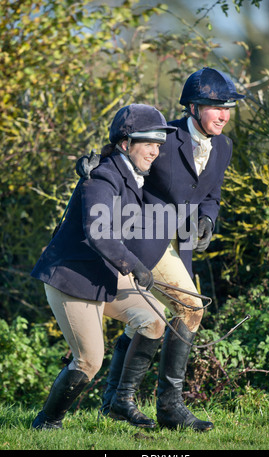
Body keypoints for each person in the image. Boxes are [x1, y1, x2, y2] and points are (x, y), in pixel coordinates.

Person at [77, 67, 245, 431]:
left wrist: (207, 220)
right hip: (143, 237)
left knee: (146, 318)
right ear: (193, 107)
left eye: (228, 108)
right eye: (216, 107)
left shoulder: (224, 147)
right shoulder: (165, 135)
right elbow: (124, 153)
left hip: (179, 245)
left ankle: (116, 399)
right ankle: (170, 407)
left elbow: (212, 196)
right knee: (191, 308)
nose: (224, 115)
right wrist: (93, 167)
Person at [30, 103, 176, 430]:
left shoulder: (134, 176)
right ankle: (47, 423)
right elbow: (100, 233)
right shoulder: (101, 178)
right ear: (125, 144)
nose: (155, 151)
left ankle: (118, 402)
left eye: (159, 144)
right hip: (71, 276)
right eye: (148, 143)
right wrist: (135, 266)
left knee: (153, 320)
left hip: (103, 273)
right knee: (89, 360)